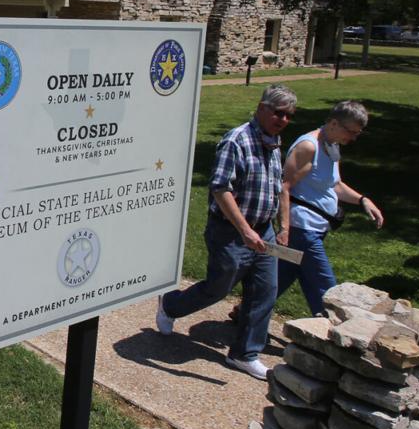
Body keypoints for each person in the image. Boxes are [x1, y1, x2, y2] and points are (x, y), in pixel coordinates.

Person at [155, 84, 298, 380]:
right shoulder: (236, 141)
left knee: (265, 291)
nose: (282, 119)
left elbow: (279, 186)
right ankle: (170, 305)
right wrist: (244, 230)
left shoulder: (274, 143)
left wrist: (283, 227)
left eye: (288, 116)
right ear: (261, 108)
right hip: (230, 232)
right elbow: (221, 189)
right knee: (218, 289)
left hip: (264, 232)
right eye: (278, 113)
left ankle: (244, 354)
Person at [276, 100, 384, 316]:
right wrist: (284, 228)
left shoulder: (332, 146)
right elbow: (284, 188)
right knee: (326, 288)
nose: (353, 138)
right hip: (302, 230)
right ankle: (333, 332)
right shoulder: (308, 146)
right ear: (334, 123)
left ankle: (245, 311)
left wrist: (363, 200)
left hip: (316, 229)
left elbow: (335, 185)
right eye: (351, 132)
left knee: (282, 278)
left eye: (357, 134)